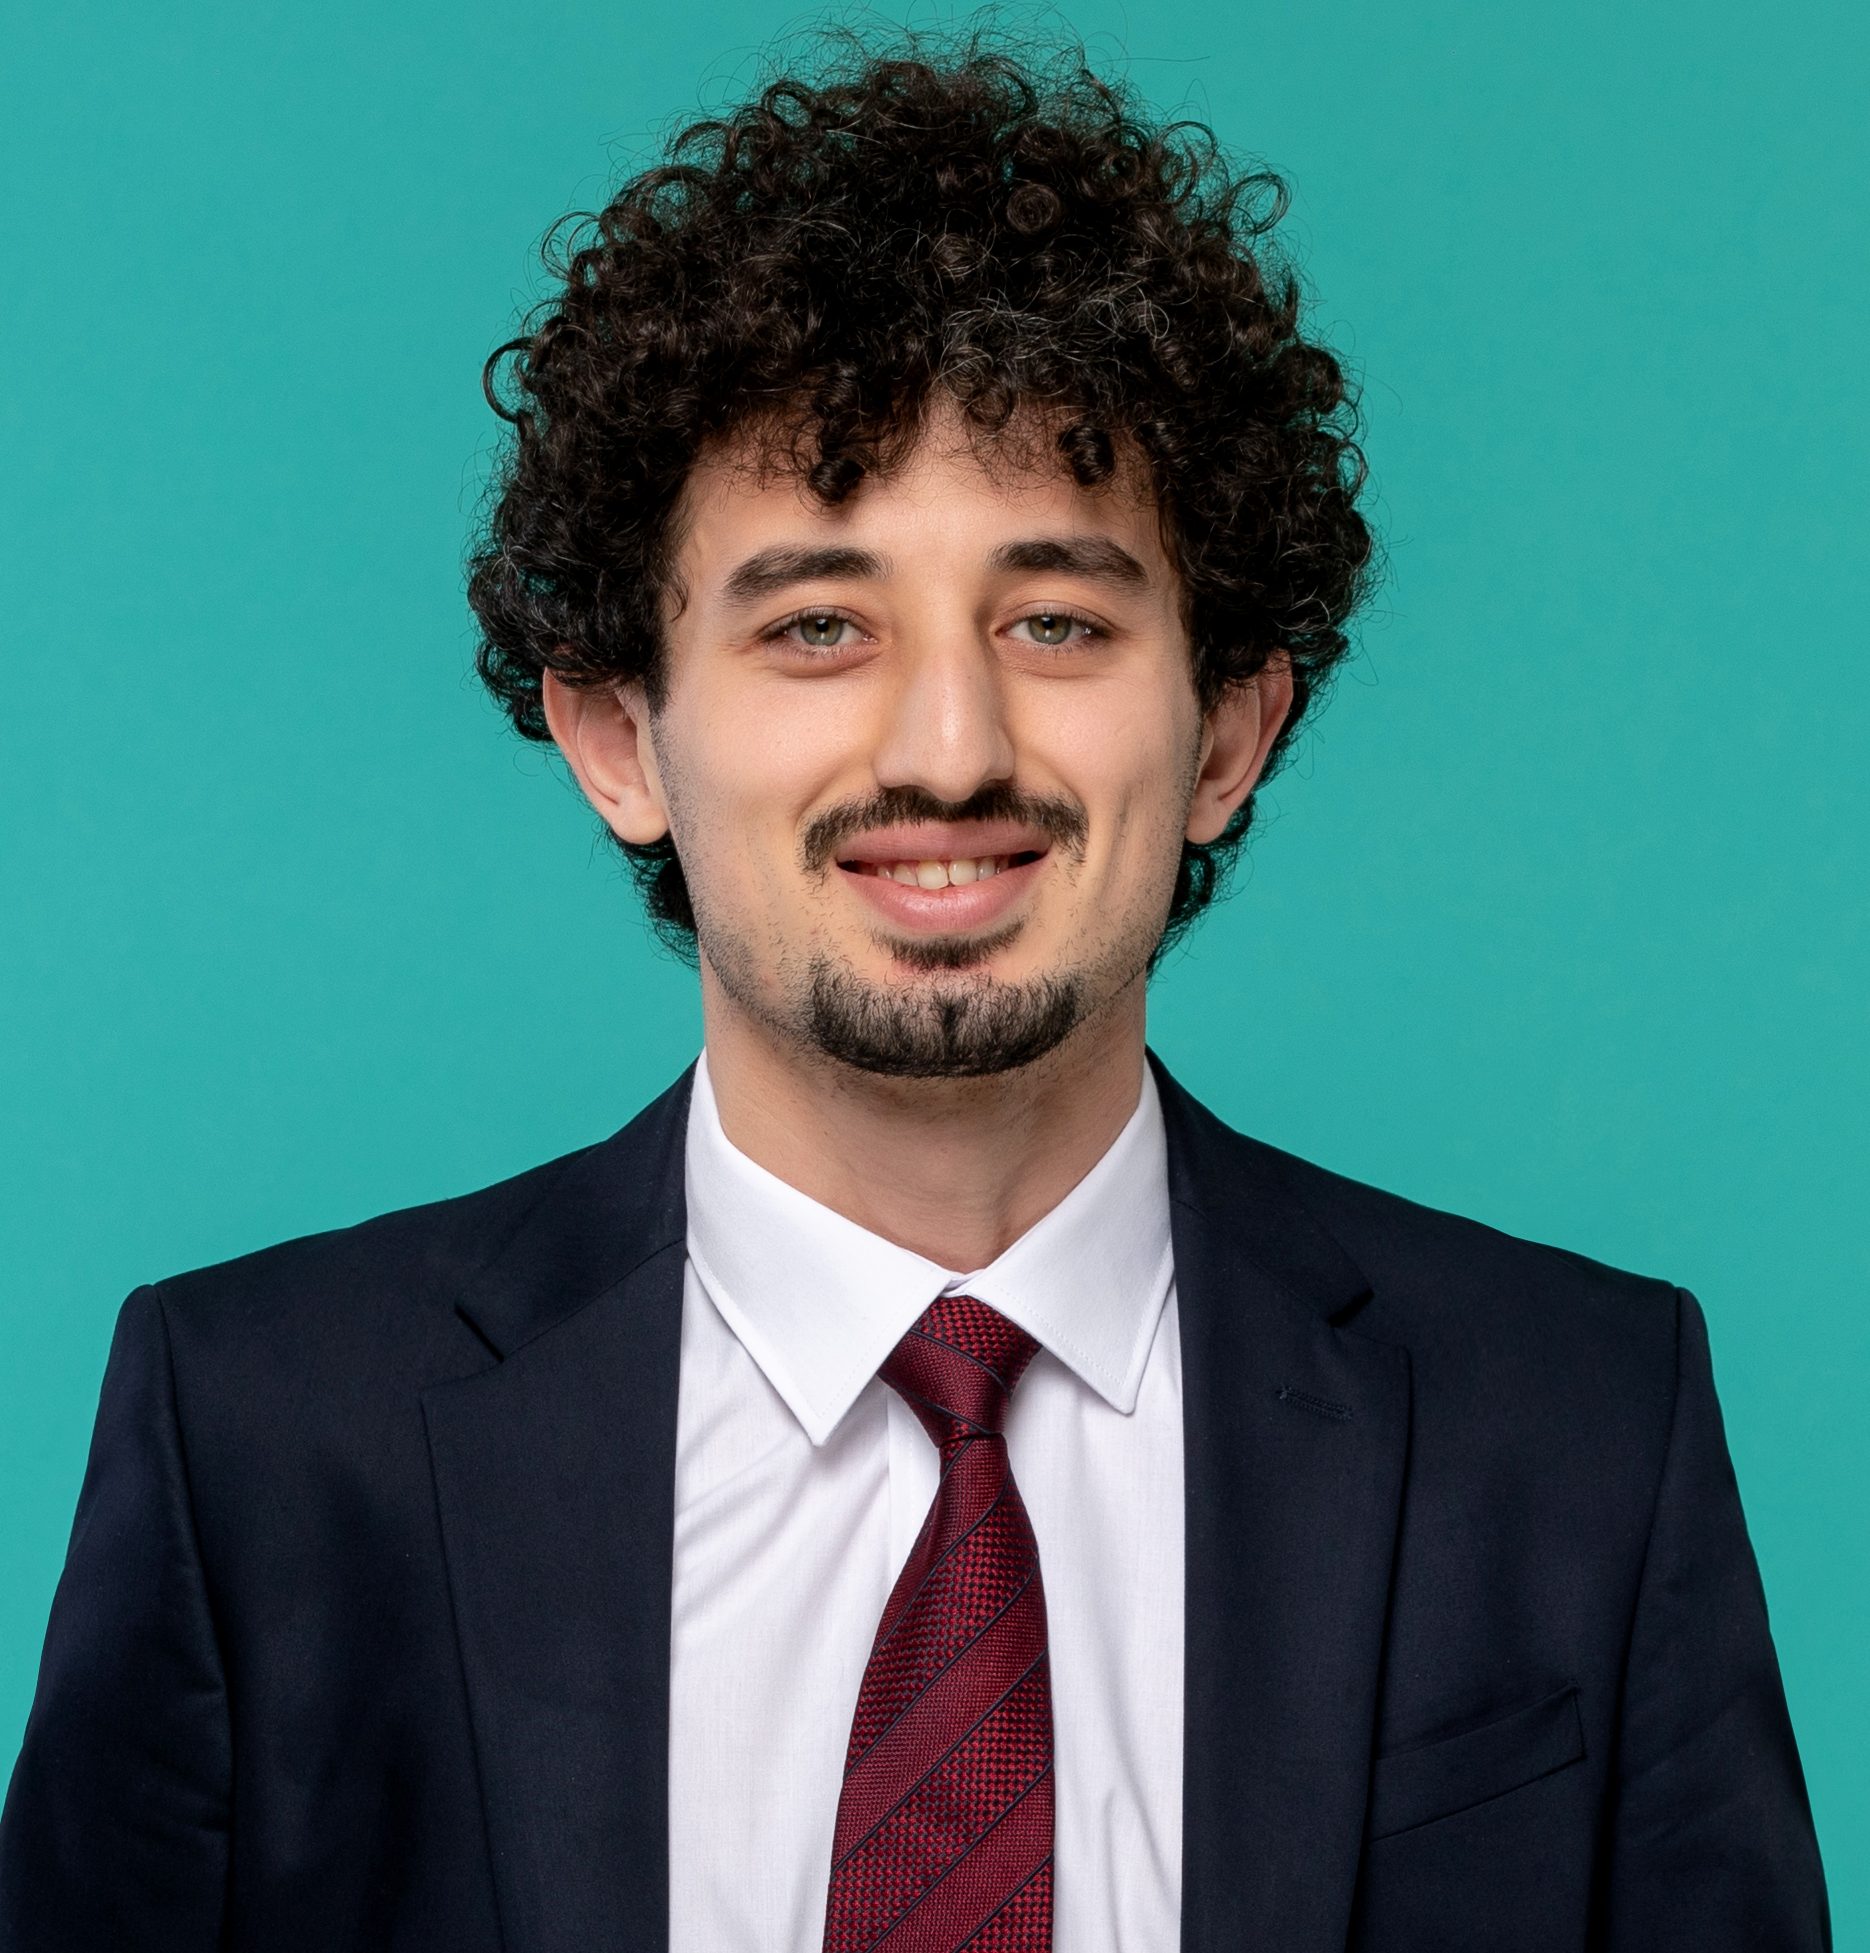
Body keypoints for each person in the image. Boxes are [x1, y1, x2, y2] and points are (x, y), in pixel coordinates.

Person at [0, 32, 1830, 1953]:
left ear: (1225, 732)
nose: (948, 746)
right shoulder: (264, 1440)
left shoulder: (1576, 1432)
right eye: (816, 626)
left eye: (1056, 621)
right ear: (618, 734)